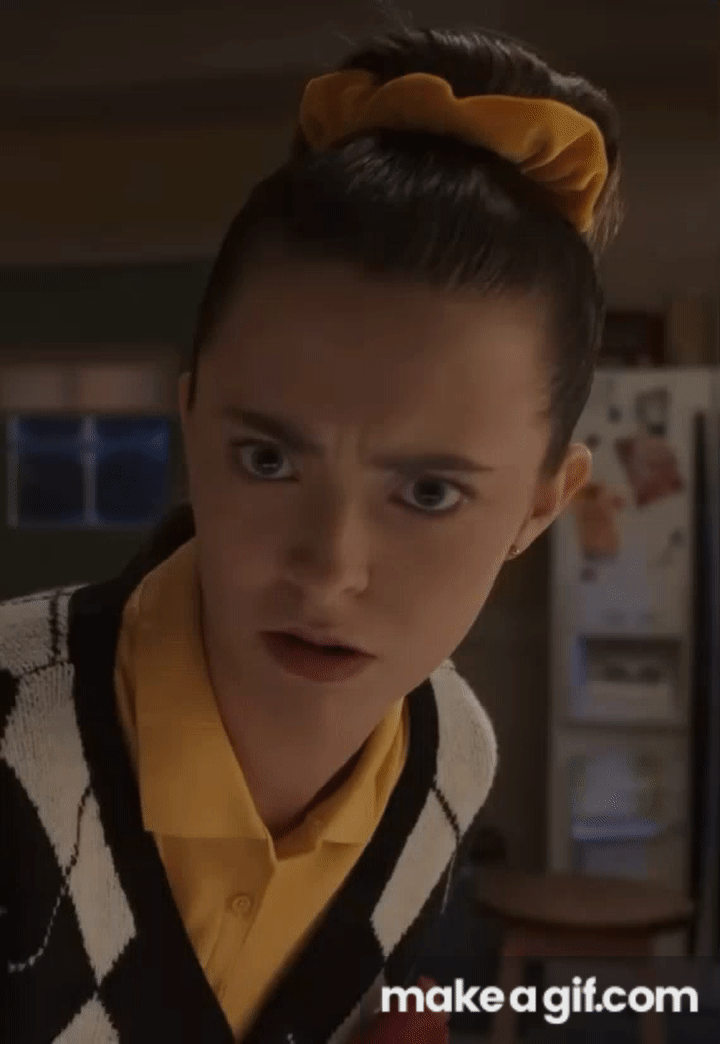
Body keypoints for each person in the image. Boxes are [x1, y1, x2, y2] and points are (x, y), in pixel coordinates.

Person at [0, 23, 623, 1044]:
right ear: (192, 425)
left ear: (540, 507)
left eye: (429, 492)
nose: (329, 570)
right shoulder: (13, 738)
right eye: (267, 460)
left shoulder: (451, 754)